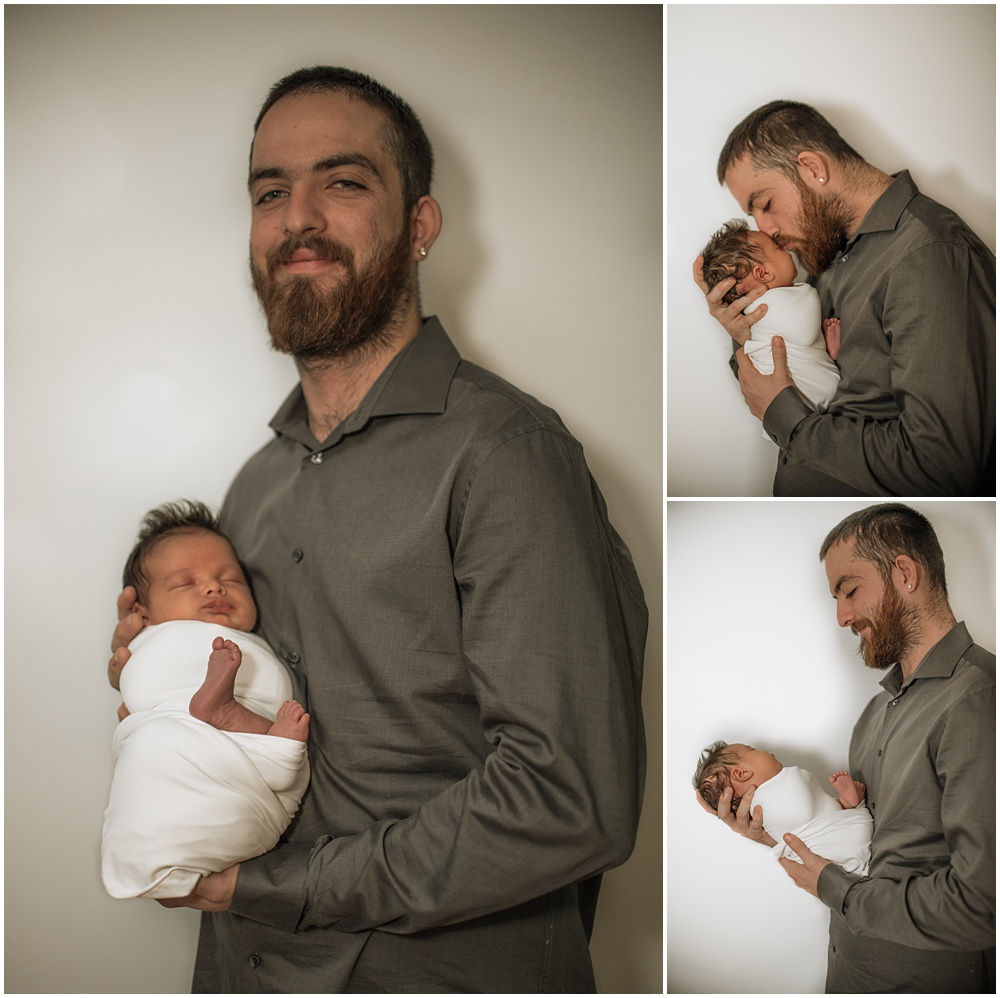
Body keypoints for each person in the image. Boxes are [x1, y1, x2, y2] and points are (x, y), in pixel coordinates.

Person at [108, 66, 647, 993]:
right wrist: (159, 687)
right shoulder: (250, 490)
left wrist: (273, 886)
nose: (297, 216)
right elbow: (259, 728)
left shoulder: (505, 452)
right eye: (269, 191)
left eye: (343, 182)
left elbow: (571, 801)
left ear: (421, 227)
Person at [701, 503, 995, 992]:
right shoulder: (872, 716)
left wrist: (833, 888)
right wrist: (773, 835)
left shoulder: (979, 699)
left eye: (850, 590)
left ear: (904, 573)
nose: (841, 616)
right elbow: (860, 843)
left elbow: (982, 906)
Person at [693, 100, 995, 497]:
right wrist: (741, 322)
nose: (766, 230)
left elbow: (943, 468)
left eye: (766, 205)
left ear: (813, 168)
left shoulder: (930, 254)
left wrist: (788, 419)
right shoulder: (825, 248)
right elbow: (778, 376)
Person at [103, 500, 310, 901]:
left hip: (255, 783)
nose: (215, 587)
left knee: (272, 725)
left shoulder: (253, 645)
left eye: (231, 579)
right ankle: (232, 720)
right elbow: (144, 698)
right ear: (142, 613)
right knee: (154, 741)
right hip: (186, 749)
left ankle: (241, 725)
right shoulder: (155, 636)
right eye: (184, 583)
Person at [700, 218, 840, 416]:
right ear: (763, 273)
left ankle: (827, 355)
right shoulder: (770, 306)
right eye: (778, 248)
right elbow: (806, 311)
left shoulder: (751, 311)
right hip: (807, 397)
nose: (784, 246)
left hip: (794, 407)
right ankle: (828, 357)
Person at [693, 741, 871, 875]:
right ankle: (847, 805)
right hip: (838, 851)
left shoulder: (770, 805)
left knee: (822, 814)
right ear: (741, 773)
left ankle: (846, 804)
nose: (764, 750)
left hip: (835, 829)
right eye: (752, 750)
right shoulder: (763, 806)